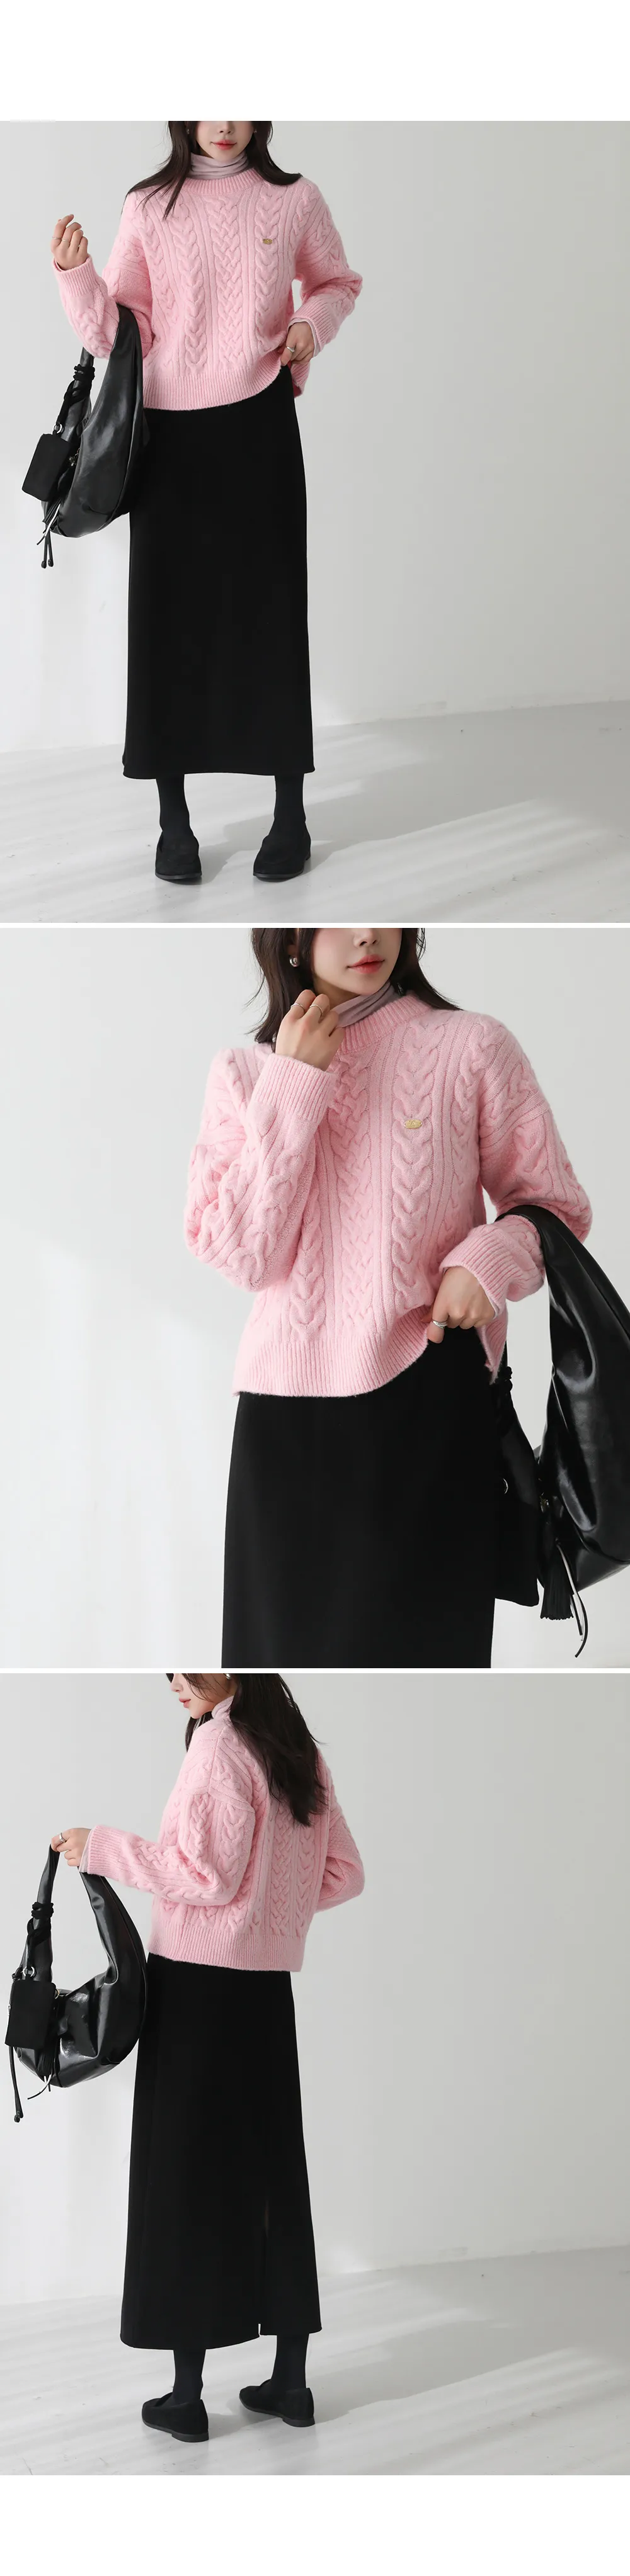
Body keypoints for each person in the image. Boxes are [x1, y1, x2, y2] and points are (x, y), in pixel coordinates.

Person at [184, 926, 592, 1669]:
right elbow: (240, 1254)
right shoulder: (246, 1074)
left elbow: (555, 1208)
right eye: (338, 918)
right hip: (283, 1429)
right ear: (292, 941)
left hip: (427, 1403)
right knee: (279, 1661)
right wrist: (294, 1081)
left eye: (383, 912)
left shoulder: (471, 1046)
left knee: (429, 1665)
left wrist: (488, 1259)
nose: (369, 933)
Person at [52, 1669, 364, 2445]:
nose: (174, 1679)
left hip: (195, 1990)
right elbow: (342, 1873)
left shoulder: (219, 1746)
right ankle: (290, 2384)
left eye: (190, 1664)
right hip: (266, 1994)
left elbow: (205, 1876)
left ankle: (187, 2398)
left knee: (184, 2180)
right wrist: (266, 1917)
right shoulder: (298, 1751)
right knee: (274, 2178)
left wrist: (101, 1848)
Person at [51, 120, 362, 886]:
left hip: (259, 425)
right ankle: (174, 824)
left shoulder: (294, 199)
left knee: (272, 618)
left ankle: (290, 817)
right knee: (168, 624)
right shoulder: (148, 205)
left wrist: (308, 326)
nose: (223, 124)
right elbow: (120, 334)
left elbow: (337, 283)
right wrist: (76, 275)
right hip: (169, 439)